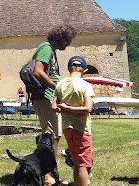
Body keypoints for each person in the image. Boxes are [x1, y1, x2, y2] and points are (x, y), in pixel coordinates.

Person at [32, 24, 77, 186]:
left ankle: (51, 173)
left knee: (54, 137)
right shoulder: (46, 49)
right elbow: (38, 71)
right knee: (50, 138)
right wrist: (56, 87)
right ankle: (47, 177)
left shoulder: (51, 51)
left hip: (49, 98)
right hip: (44, 98)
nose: (68, 44)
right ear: (58, 36)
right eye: (67, 40)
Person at [52, 55, 94, 186]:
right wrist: (70, 108)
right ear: (85, 70)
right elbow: (88, 108)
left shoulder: (60, 84)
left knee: (76, 160)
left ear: (68, 68)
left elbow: (54, 106)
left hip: (66, 127)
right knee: (83, 163)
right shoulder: (85, 85)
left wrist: (63, 108)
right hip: (81, 128)